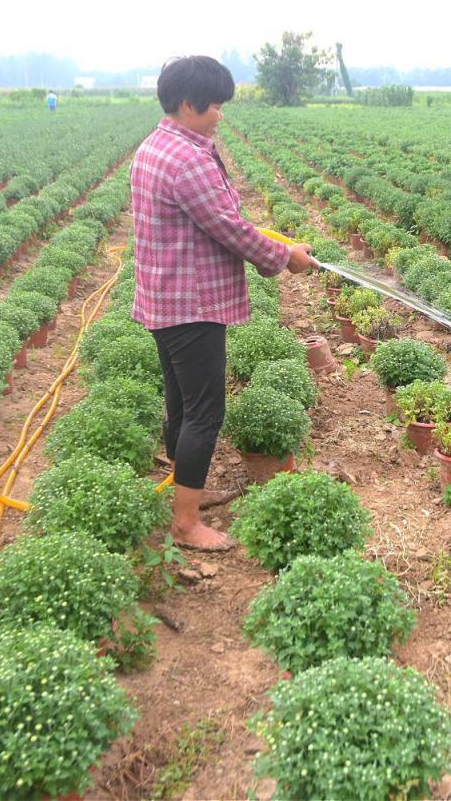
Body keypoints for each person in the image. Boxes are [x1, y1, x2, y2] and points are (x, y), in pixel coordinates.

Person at [131, 56, 316, 551]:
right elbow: (230, 229)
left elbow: (220, 220)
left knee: (182, 404)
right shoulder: (188, 160)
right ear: (187, 104)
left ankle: (184, 493)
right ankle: (186, 524)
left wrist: (273, 245)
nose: (220, 114)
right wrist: (285, 257)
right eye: (214, 105)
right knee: (205, 413)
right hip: (192, 304)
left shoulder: (156, 145)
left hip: (164, 298)